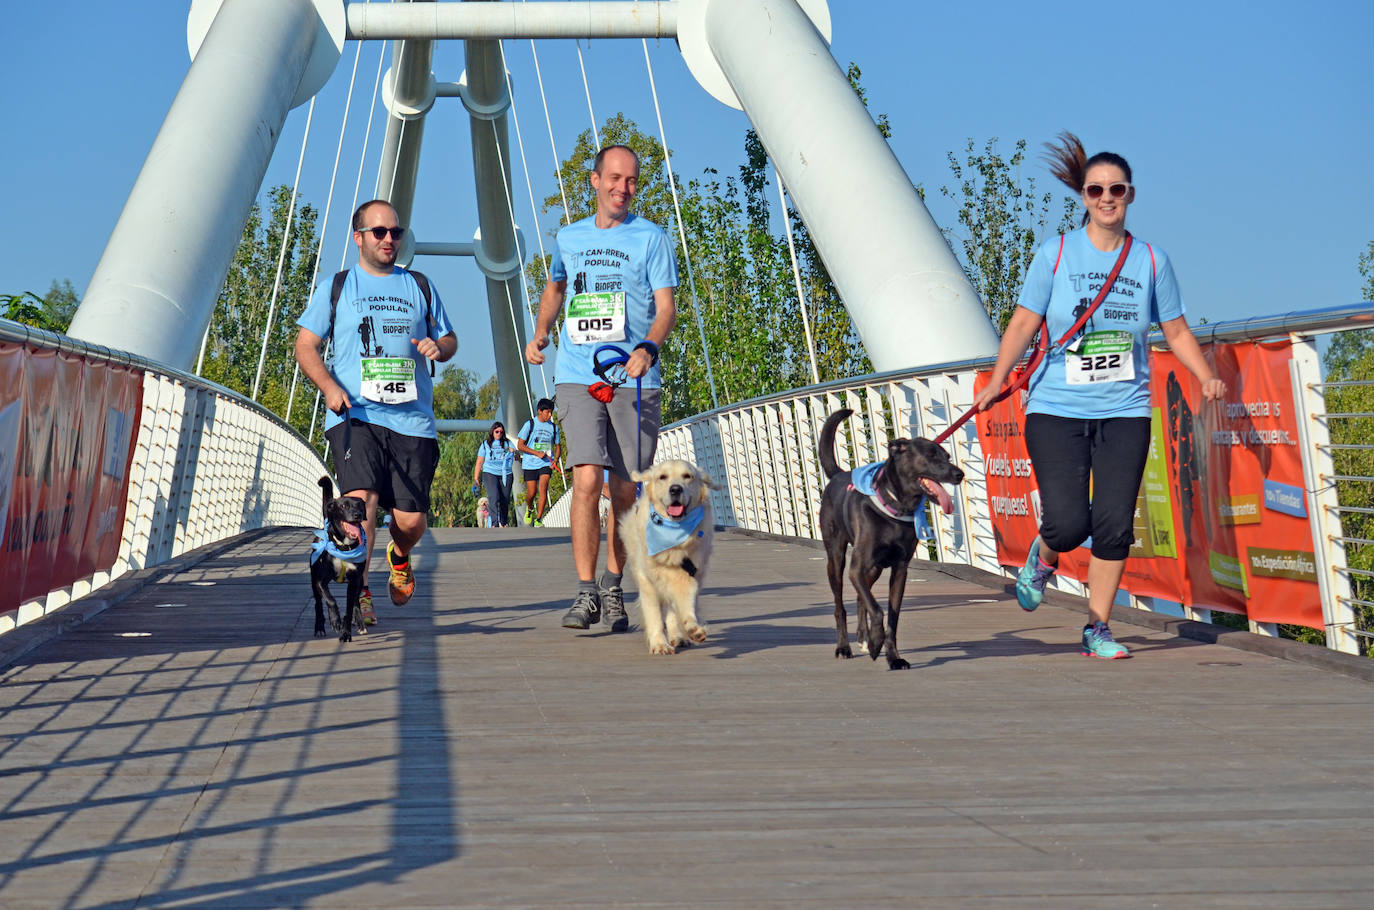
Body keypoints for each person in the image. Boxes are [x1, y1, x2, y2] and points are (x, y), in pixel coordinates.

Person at [973, 132, 1225, 660]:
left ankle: (1097, 628)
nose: (1106, 198)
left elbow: (1175, 332)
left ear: (1131, 195)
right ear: (1083, 196)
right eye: (1095, 190)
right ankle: (1044, 556)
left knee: (1113, 524)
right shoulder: (1056, 253)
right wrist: (998, 378)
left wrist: (1204, 377)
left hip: (1126, 409)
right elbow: (1024, 321)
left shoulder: (1152, 261)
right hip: (1056, 407)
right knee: (1067, 523)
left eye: (1116, 189)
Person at [525, 144, 678, 633]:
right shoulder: (569, 237)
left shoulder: (651, 238)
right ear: (594, 181)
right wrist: (542, 331)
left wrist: (648, 349)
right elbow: (556, 287)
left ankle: (614, 586)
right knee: (587, 479)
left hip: (635, 379)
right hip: (577, 373)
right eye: (614, 178)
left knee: (626, 489)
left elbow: (666, 307)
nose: (622, 188)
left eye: (631, 181)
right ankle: (586, 591)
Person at [295, 199, 457, 625]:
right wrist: (328, 386)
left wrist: (439, 347)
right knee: (360, 501)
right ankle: (360, 587)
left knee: (411, 519)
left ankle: (399, 554)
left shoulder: (419, 285)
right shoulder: (338, 287)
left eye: (396, 232)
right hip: (356, 416)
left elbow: (450, 338)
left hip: (412, 421)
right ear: (359, 237)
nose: (389, 239)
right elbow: (305, 346)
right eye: (380, 232)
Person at [515, 399, 562, 527]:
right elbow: (520, 445)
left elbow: (558, 447)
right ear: (539, 411)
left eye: (551, 412)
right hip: (530, 464)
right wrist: (536, 453)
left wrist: (556, 460)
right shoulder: (529, 424)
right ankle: (529, 509)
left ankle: (539, 519)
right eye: (547, 412)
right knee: (532, 492)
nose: (550, 415)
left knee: (543, 488)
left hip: (546, 464)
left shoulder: (553, 427)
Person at [473, 421, 515, 527]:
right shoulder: (485, 444)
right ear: (492, 432)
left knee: (505, 499)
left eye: (501, 432)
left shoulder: (507, 443)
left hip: (506, 473)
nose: (499, 434)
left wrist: (514, 453)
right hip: (490, 472)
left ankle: (503, 522)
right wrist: (476, 478)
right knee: (494, 496)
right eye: (497, 431)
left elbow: (516, 455)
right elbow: (479, 462)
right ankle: (495, 523)